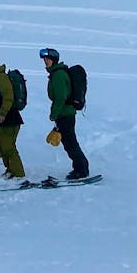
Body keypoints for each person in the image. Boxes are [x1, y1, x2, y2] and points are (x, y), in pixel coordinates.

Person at [42, 47, 90, 180]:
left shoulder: (58, 75)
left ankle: (81, 170)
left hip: (65, 114)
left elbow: (61, 97)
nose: (45, 62)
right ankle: (80, 168)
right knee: (69, 142)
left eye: (48, 59)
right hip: (65, 114)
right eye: (44, 59)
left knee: (70, 143)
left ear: (54, 60)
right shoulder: (57, 73)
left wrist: (54, 115)